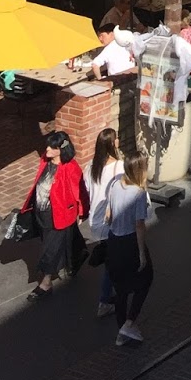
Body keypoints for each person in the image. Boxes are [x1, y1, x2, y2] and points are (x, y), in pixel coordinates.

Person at [20, 130, 88, 301]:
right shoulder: (45, 159)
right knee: (52, 243)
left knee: (49, 250)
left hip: (60, 214)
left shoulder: (71, 168)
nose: (47, 149)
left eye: (52, 147)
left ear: (60, 150)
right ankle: (77, 255)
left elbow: (80, 191)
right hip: (41, 212)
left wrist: (82, 211)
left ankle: (46, 283)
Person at [104, 153, 153, 346]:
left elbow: (109, 214)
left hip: (114, 241)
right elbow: (139, 225)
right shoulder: (138, 193)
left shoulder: (116, 185)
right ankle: (130, 322)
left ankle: (121, 330)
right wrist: (141, 253)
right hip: (129, 242)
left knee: (121, 288)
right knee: (146, 279)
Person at [82, 127, 123, 318]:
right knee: (113, 262)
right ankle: (104, 301)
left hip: (95, 220)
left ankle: (109, 295)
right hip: (111, 221)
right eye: (117, 138)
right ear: (113, 144)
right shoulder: (119, 167)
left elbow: (87, 190)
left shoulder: (90, 167)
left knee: (110, 257)